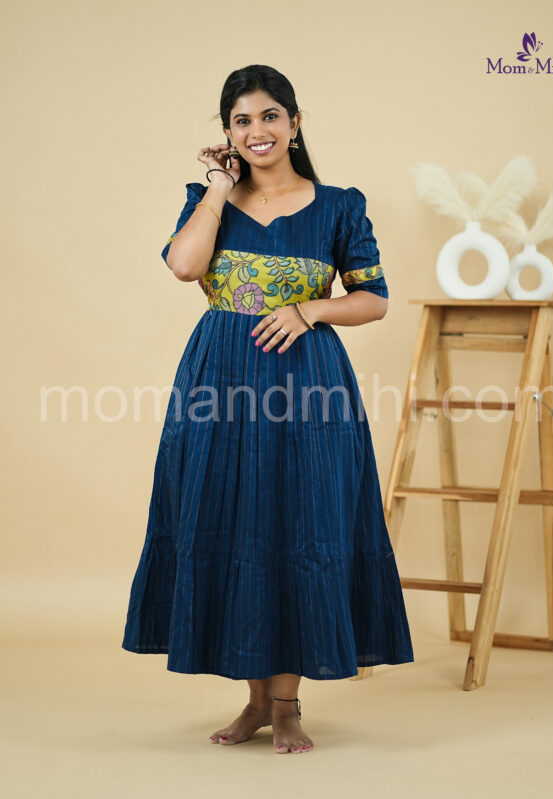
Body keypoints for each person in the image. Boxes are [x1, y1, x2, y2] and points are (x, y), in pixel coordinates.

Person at [122, 64, 414, 755]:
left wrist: (310, 310)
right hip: (218, 382)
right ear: (227, 133)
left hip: (307, 385)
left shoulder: (339, 206)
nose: (258, 131)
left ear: (295, 122)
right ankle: (254, 702)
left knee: (298, 527)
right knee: (233, 526)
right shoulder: (208, 199)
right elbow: (185, 266)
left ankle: (285, 706)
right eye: (242, 121)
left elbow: (373, 298)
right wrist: (217, 186)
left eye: (270, 116)